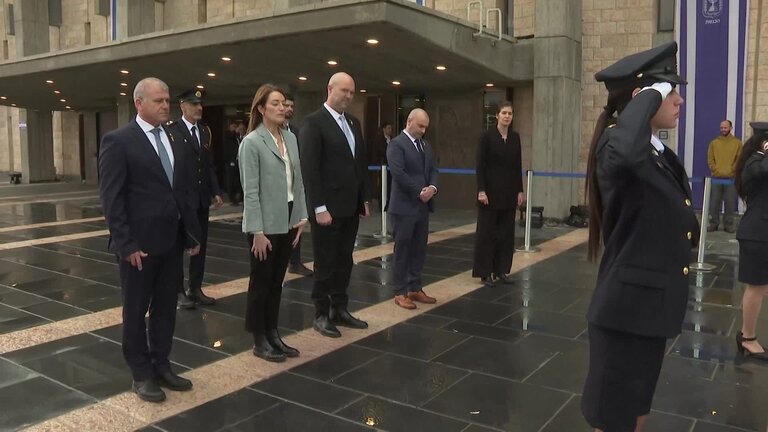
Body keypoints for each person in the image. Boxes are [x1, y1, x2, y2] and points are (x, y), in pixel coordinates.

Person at [582, 42, 699, 432]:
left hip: (647, 311)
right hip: (624, 316)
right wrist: (649, 93)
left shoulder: (657, 151)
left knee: (635, 414)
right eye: (670, 91)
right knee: (614, 420)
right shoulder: (616, 145)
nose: (679, 99)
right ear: (641, 99)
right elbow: (625, 158)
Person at [98, 77, 202, 402]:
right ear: (139, 103)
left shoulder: (174, 137)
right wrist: (125, 244)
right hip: (138, 247)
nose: (165, 105)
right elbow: (111, 199)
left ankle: (161, 363)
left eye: (167, 100)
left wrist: (191, 234)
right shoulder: (119, 141)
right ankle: (141, 372)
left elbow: (182, 192)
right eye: (158, 100)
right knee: (135, 309)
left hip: (171, 241)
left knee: (165, 309)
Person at [239, 84, 308, 362]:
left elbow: (298, 182)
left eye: (284, 104)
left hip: (288, 217)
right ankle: (259, 337)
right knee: (262, 282)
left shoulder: (291, 139)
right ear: (261, 109)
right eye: (276, 104)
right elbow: (250, 192)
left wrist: (301, 217)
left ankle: (273, 331)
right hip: (264, 224)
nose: (282, 108)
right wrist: (256, 231)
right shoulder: (252, 143)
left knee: (277, 281)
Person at [299, 72, 370, 338]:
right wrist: (318, 208)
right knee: (325, 262)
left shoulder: (353, 123)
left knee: (344, 260)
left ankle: (340, 308)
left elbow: (359, 163)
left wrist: (364, 198)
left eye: (352, 93)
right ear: (329, 89)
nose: (348, 97)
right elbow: (310, 169)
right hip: (327, 209)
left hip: (350, 206)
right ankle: (321, 313)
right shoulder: (313, 123)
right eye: (344, 91)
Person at [169, 89, 223, 309]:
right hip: (182, 199)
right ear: (183, 106)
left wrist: (215, 190)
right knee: (179, 245)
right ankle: (178, 291)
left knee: (201, 244)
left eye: (200, 104)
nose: (199, 108)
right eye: (194, 105)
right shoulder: (172, 131)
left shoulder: (205, 131)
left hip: (200, 199)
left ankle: (195, 287)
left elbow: (208, 165)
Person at [387, 109, 439, 309]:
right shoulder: (396, 144)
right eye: (420, 126)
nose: (424, 130)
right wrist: (419, 191)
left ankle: (415, 287)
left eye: (426, 127)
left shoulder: (426, 145)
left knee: (419, 249)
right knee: (403, 249)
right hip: (404, 207)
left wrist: (432, 188)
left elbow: (433, 169)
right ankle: (400, 291)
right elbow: (398, 173)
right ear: (409, 121)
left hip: (422, 207)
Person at [472, 102, 524, 287]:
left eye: (510, 113)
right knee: (487, 234)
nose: (507, 116)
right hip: (490, 194)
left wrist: (520, 190)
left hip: (509, 193)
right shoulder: (487, 136)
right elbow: (480, 165)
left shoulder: (515, 138)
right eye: (504, 113)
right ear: (497, 115)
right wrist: (481, 190)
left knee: (506, 234)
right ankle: (485, 272)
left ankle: (501, 270)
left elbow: (517, 165)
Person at [734, 121, 768, 360]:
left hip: (762, 232)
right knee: (756, 287)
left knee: (762, 287)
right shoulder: (754, 162)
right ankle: (747, 338)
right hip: (757, 234)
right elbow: (762, 170)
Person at [284, 94, 314, 277]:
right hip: (278, 191)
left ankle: (294, 262)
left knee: (296, 227)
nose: (288, 109)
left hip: (294, 188)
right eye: (285, 105)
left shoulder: (296, 131)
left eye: (291, 106)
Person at [707, 119, 742, 232]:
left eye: (725, 127)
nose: (723, 129)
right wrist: (715, 169)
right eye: (721, 127)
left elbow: (739, 159)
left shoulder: (737, 143)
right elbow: (710, 159)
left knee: (730, 204)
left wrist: (732, 170)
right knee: (714, 204)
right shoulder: (714, 143)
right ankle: (714, 224)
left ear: (730, 128)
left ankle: (729, 225)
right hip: (716, 179)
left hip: (731, 179)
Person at [373, 122, 394, 211]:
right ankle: (381, 204)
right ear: (384, 129)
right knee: (382, 185)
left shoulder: (393, 139)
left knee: (390, 185)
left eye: (391, 128)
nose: (390, 130)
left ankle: (389, 204)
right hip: (383, 165)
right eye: (388, 128)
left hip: (391, 166)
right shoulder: (379, 140)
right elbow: (379, 151)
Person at [223, 122, 244, 205]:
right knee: (230, 180)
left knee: (238, 180)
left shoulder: (237, 137)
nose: (236, 129)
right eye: (233, 127)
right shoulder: (228, 135)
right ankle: (232, 198)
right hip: (231, 161)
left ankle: (239, 197)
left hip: (238, 161)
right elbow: (230, 136)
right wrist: (235, 131)